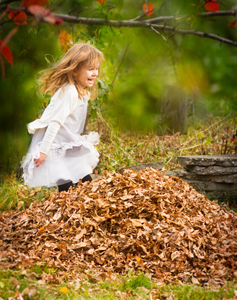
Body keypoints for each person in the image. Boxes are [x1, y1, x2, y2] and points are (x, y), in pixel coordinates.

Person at [22, 43, 104, 192]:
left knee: (84, 181)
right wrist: (43, 152)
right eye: (90, 69)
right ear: (75, 71)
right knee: (67, 187)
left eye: (96, 68)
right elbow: (55, 123)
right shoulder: (70, 92)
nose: (95, 73)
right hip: (54, 146)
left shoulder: (82, 91)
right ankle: (67, 212)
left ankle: (82, 209)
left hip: (66, 144)